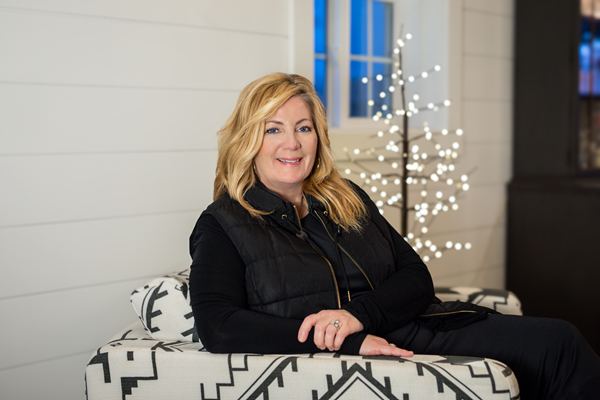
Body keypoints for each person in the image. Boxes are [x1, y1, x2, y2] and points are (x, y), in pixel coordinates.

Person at [189, 72, 600, 399]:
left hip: (422, 325)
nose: (292, 144)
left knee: (558, 341)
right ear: (248, 139)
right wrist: (346, 341)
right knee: (555, 347)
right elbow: (218, 326)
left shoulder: (346, 197)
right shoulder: (223, 223)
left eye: (304, 128)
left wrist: (357, 316)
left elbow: (416, 277)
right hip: (377, 354)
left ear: (318, 137)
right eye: (274, 130)